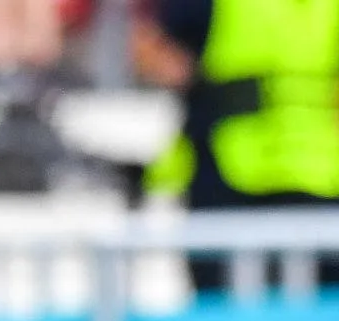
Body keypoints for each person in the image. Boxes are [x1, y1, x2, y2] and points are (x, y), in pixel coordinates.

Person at [133, 0, 339, 290]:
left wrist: (199, 86)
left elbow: (149, 46)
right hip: (295, 178)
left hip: (239, 176)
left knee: (227, 312)